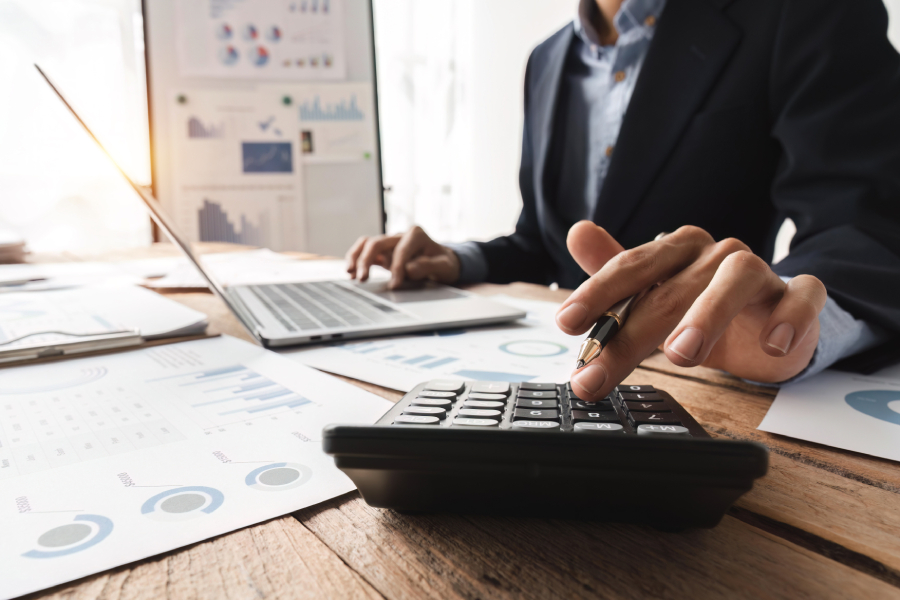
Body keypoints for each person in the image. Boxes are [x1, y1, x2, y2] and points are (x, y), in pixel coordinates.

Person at [346, 0, 900, 401]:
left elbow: (866, 226)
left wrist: (797, 327)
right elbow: (542, 240)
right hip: (558, 360)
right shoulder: (546, 59)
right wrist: (457, 258)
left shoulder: (806, 13)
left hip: (709, 375)